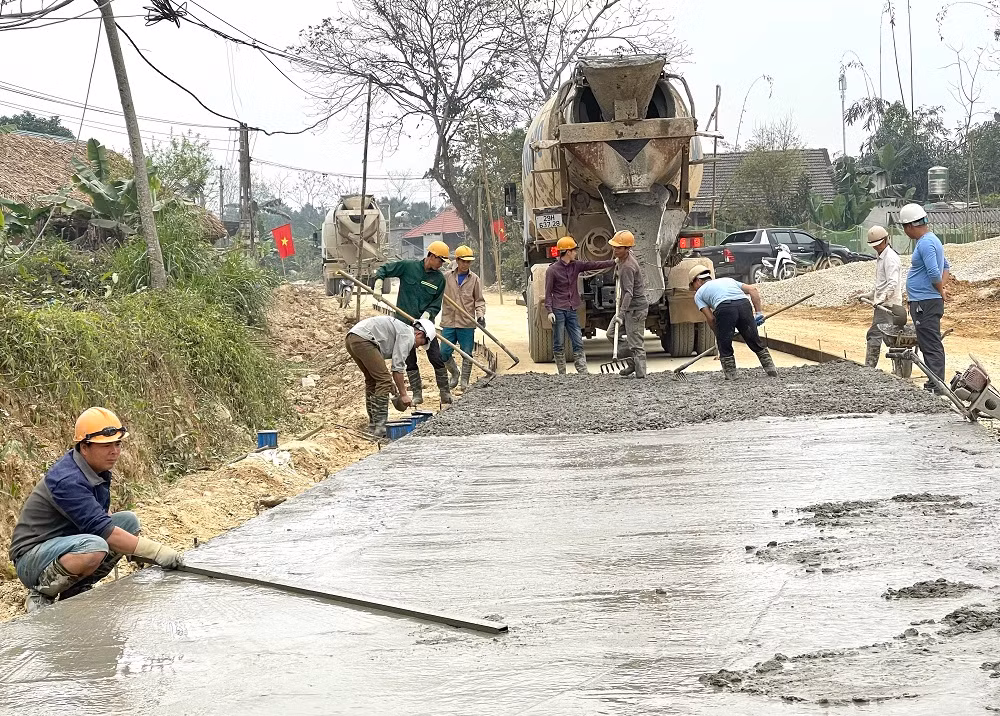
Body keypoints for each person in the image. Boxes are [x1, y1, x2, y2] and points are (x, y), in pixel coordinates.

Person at [9, 407, 182, 613]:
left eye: (118, 444)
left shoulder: (95, 469)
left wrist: (132, 546)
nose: (115, 451)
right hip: (32, 559)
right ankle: (42, 592)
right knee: (95, 546)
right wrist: (157, 552)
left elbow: (101, 518)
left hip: (65, 544)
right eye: (106, 445)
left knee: (128, 522)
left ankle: (75, 588)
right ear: (84, 447)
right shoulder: (68, 480)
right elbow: (103, 530)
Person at [373, 241, 450, 404]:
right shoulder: (408, 267)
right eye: (440, 260)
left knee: (436, 357)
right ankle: (417, 394)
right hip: (403, 324)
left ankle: (445, 392)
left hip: (425, 325)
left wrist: (427, 315)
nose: (441, 264)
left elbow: (436, 304)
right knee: (409, 359)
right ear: (432, 256)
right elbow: (384, 269)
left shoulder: (439, 279)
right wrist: (378, 284)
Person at [346, 316, 434, 436]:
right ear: (419, 334)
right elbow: (397, 368)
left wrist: (393, 386)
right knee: (384, 381)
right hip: (364, 339)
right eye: (421, 343)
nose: (418, 347)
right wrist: (403, 395)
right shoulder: (408, 336)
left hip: (352, 337)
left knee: (372, 380)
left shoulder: (401, 329)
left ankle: (373, 426)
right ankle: (381, 428)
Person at [689, 266, 779, 380]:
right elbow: (753, 290)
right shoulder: (728, 280)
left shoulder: (698, 294)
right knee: (754, 340)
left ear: (697, 280)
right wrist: (758, 313)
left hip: (724, 308)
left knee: (725, 346)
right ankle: (771, 370)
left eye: (692, 286)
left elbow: (711, 319)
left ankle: (731, 376)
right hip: (743, 305)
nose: (694, 289)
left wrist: (719, 336)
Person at [544, 236, 615, 374]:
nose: (576, 253)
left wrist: (614, 262)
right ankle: (562, 373)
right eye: (574, 250)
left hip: (572, 310)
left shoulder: (576, 266)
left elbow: (594, 265)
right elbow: (548, 292)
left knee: (578, 341)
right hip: (558, 310)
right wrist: (549, 311)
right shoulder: (552, 270)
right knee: (559, 342)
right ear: (568, 252)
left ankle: (582, 371)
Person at [899, 203, 950, 392]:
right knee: (929, 342)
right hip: (926, 300)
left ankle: (936, 386)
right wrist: (941, 288)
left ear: (909, 226)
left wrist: (940, 290)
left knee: (930, 343)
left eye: (904, 227)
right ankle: (934, 383)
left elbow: (934, 272)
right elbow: (946, 265)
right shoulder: (931, 240)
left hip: (925, 302)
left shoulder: (926, 243)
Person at [859, 225, 905, 369]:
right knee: (891, 338)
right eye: (874, 245)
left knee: (874, 335)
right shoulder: (881, 257)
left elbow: (892, 283)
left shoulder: (890, 258)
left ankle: (869, 368)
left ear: (886, 240)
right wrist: (871, 295)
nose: (876, 247)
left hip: (888, 306)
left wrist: (881, 299)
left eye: (878, 244)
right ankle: (900, 367)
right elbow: (881, 282)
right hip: (883, 305)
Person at [441, 245, 486, 392]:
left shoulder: (475, 279)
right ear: (457, 260)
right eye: (464, 261)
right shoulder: (446, 277)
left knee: (467, 353)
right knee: (444, 352)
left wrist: (480, 316)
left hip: (466, 323)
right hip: (449, 321)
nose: (466, 264)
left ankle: (464, 381)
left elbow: (479, 301)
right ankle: (455, 372)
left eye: (469, 262)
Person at [606, 230, 649, 378]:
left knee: (636, 343)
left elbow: (629, 293)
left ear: (627, 249)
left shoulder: (628, 267)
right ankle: (632, 363)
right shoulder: (623, 259)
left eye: (619, 248)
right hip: (627, 308)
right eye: (614, 247)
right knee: (611, 333)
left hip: (635, 309)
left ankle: (641, 375)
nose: (615, 250)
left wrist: (621, 314)